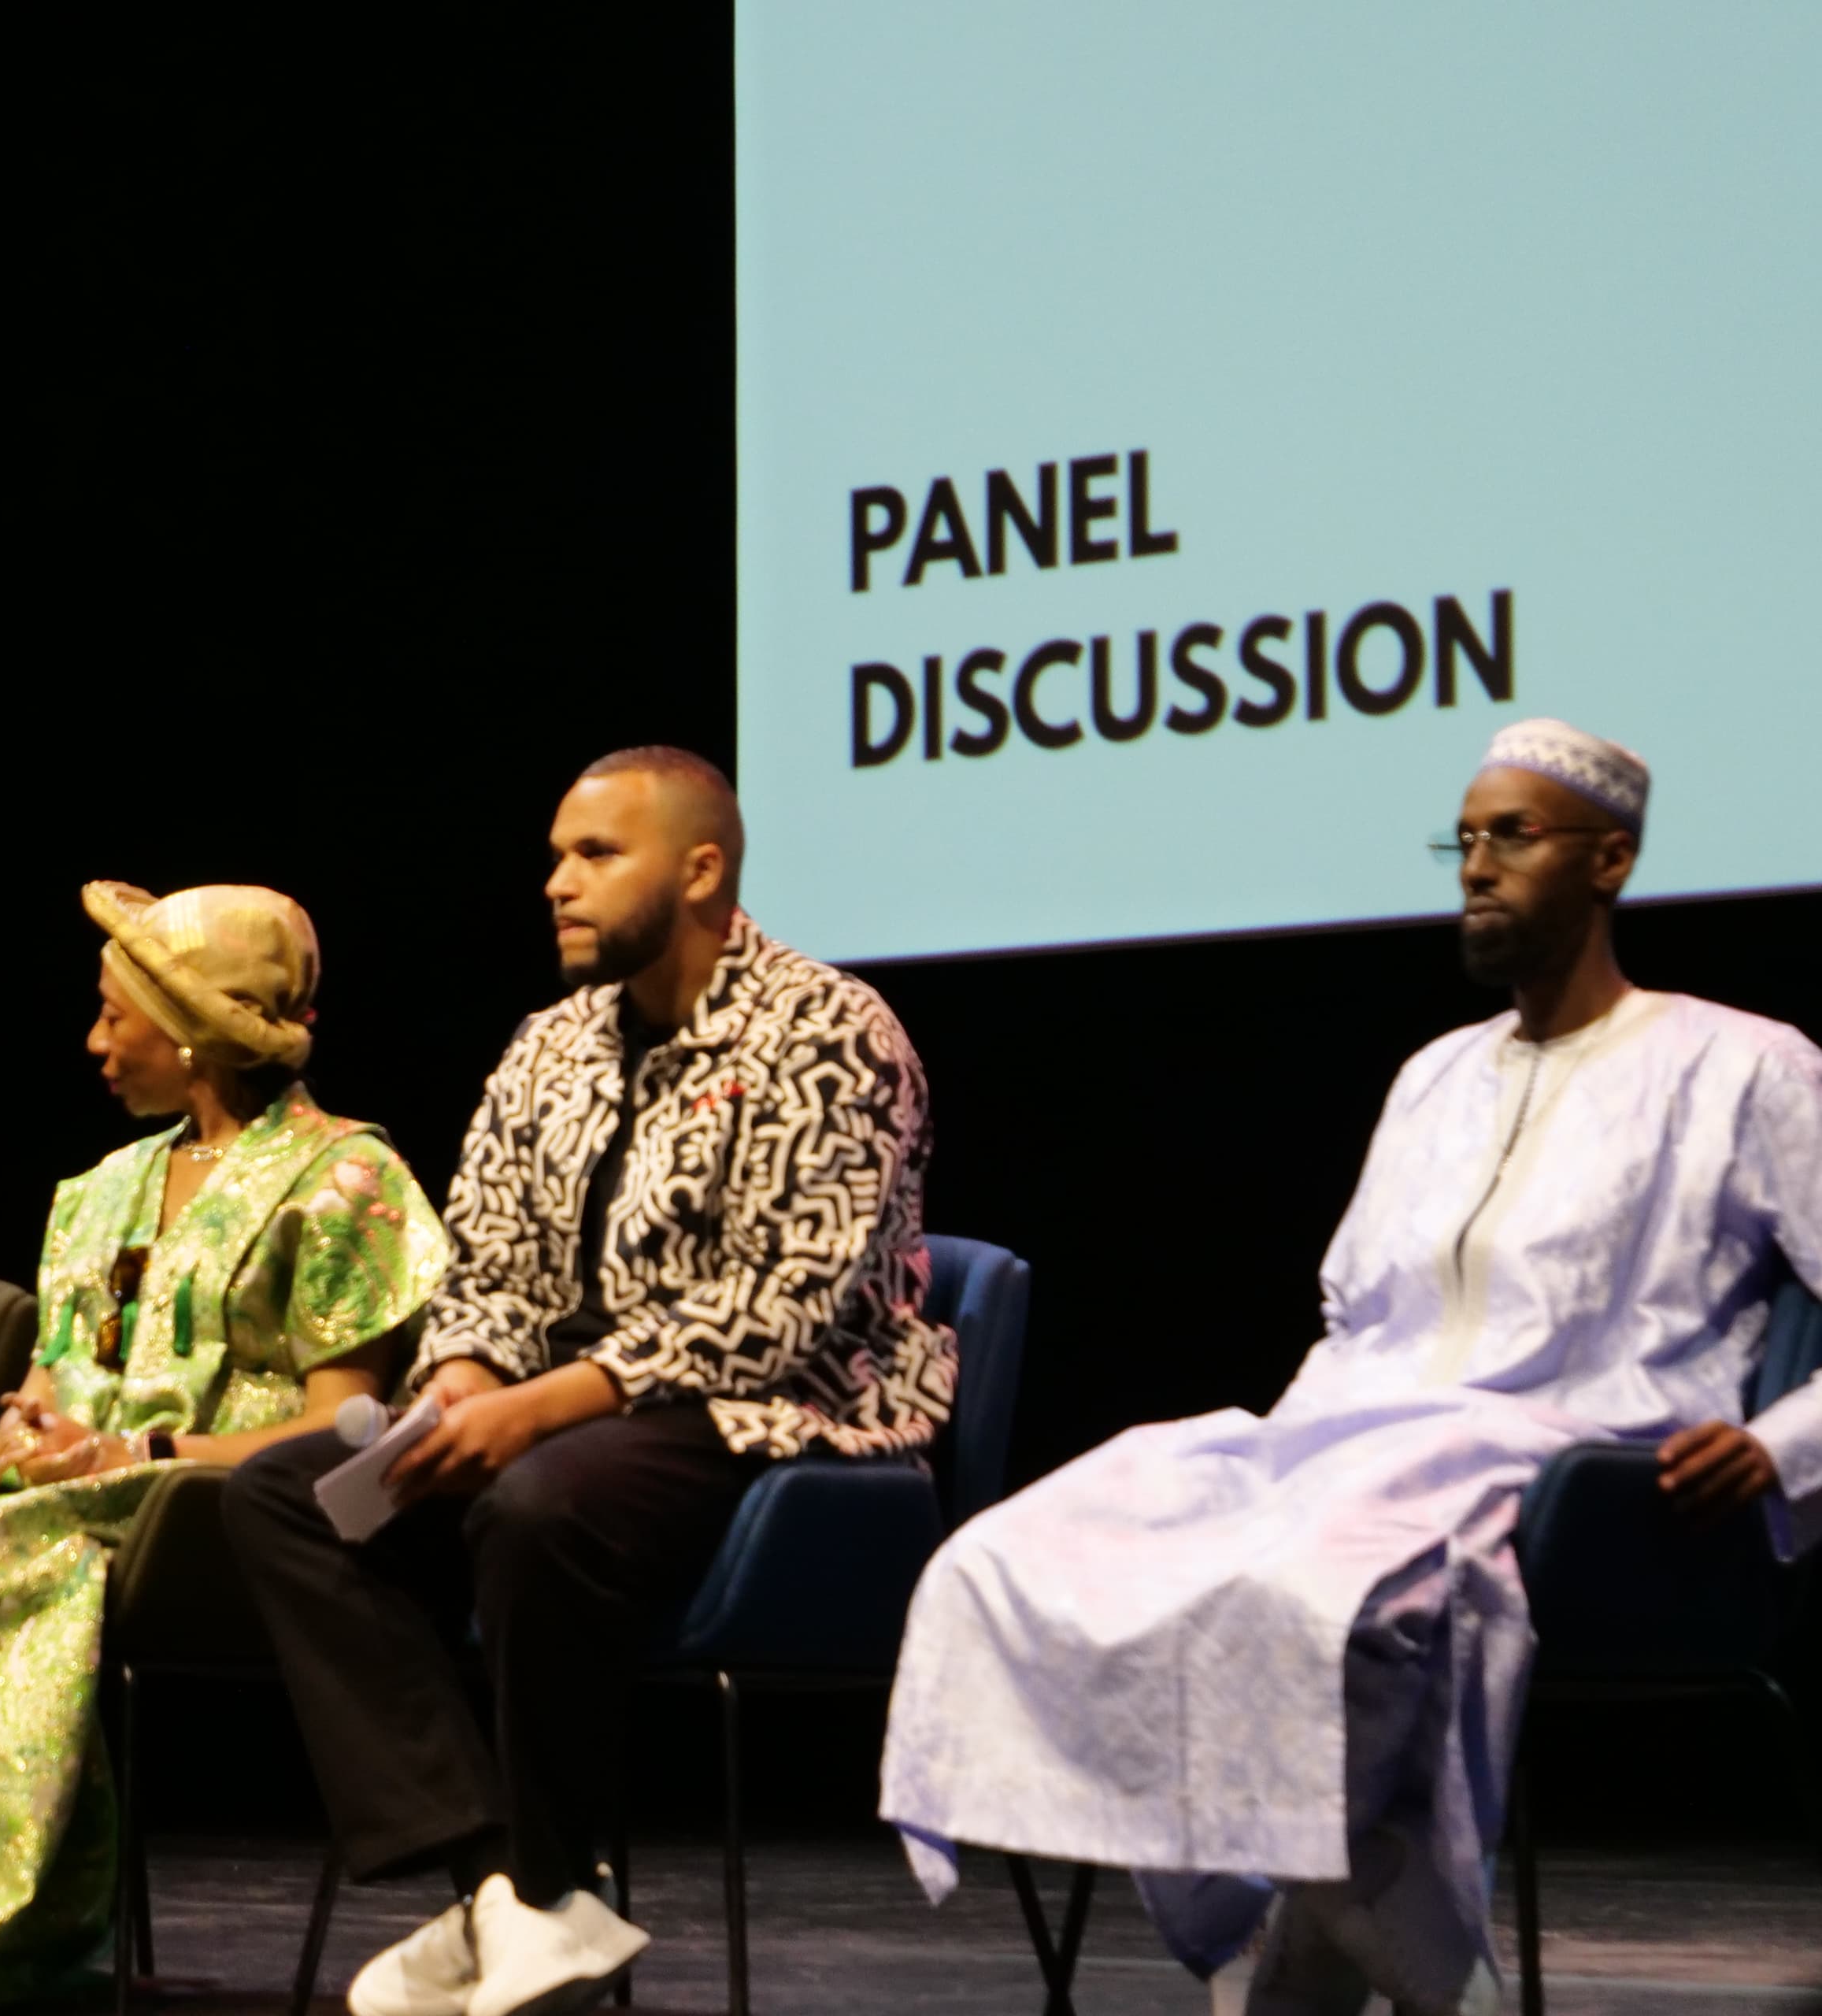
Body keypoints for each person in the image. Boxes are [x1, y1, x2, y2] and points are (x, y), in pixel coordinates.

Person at [878, 719, 1822, 2016]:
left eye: (1516, 836)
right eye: (1468, 838)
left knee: (1316, 1611)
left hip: (1580, 1467)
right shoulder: (1433, 1077)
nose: (1478, 865)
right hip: (1355, 1437)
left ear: (1610, 860)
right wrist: (1274, 1467)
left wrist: (1785, 1445)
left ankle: (1357, 1981)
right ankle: (1316, 1955)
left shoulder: (1744, 1066)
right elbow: (1354, 1317)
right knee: (1020, 1555)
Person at [223, 746, 958, 2016]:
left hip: (787, 1416)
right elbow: (492, 1262)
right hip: (567, 1413)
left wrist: (545, 1402)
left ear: (702, 869)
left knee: (539, 1500)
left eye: (595, 855)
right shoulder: (546, 1047)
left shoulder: (831, 1030)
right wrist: (460, 1377)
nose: (557, 882)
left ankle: (541, 1888)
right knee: (288, 1495)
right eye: (557, 855)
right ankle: (511, 1891)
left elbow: (784, 1309)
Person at [0, 882, 452, 2013]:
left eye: (113, 1014)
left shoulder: (344, 1180)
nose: (93, 1040)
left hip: (215, 1505)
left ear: (192, 1032)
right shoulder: (104, 1188)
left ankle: (4, 1928)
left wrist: (131, 1448)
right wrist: (26, 1428)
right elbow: (50, 1376)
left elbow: (348, 1434)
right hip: (78, 1483)